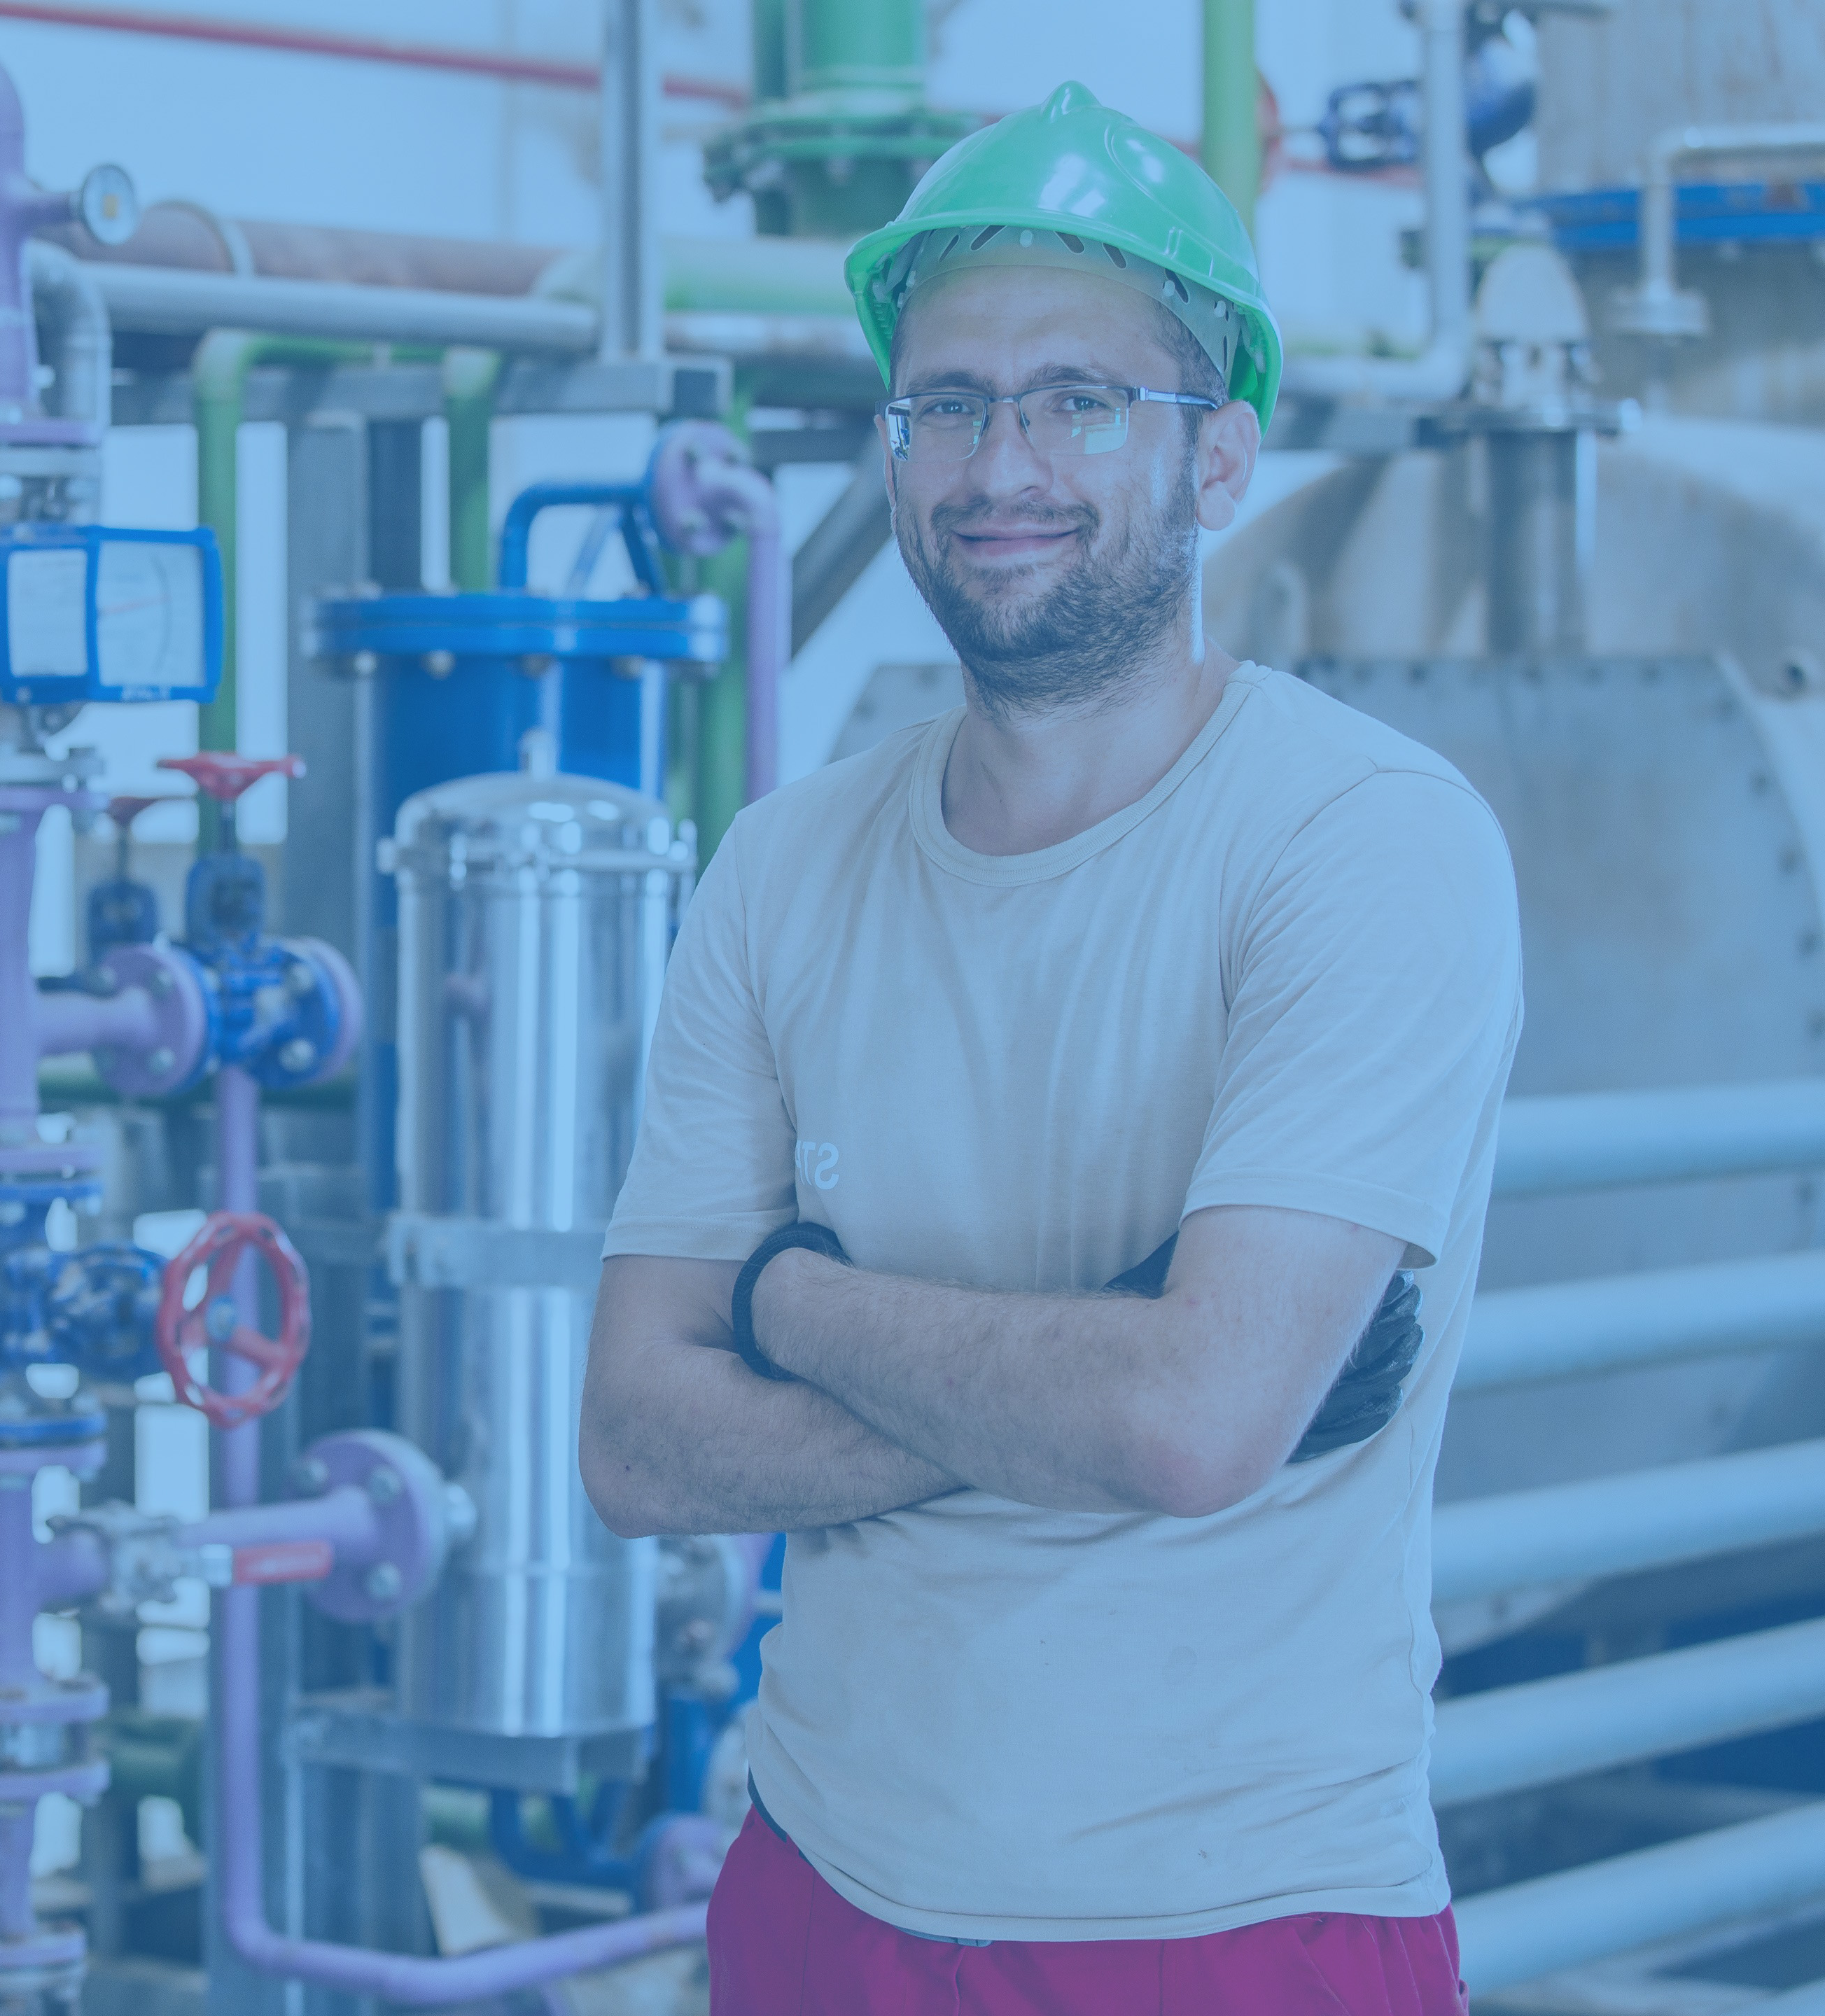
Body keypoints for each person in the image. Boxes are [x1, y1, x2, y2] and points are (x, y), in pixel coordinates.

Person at [581, 79, 1522, 2016]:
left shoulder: (1365, 839)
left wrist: (783, 1297)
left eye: (1083, 400)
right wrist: (1081, 1372)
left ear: (1220, 457)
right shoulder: (786, 863)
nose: (1001, 461)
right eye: (945, 404)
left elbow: (1187, 1422)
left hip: (1237, 1927)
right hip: (818, 1892)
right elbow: (633, 1444)